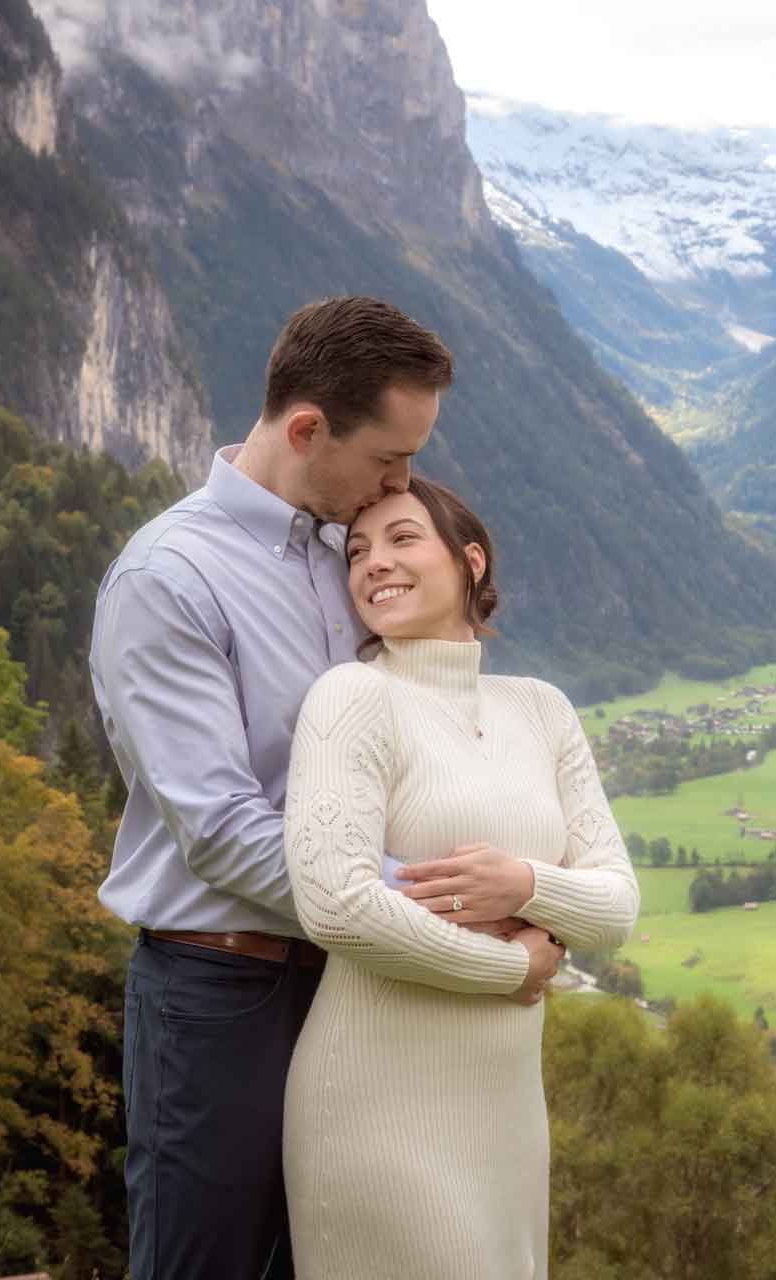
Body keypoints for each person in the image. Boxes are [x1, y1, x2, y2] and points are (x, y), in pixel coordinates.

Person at [90, 296, 459, 1279]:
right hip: (221, 991)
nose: (402, 483)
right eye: (388, 459)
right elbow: (221, 829)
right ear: (306, 429)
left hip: (351, 984)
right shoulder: (169, 576)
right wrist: (429, 911)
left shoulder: (354, 557)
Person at [282, 478, 640, 1278]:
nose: (376, 563)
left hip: (507, 1106)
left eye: (403, 539)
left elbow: (616, 907)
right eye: (359, 551)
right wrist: (511, 965)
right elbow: (336, 906)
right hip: (376, 1099)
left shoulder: (542, 709)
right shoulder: (352, 697)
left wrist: (524, 886)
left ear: (469, 560)